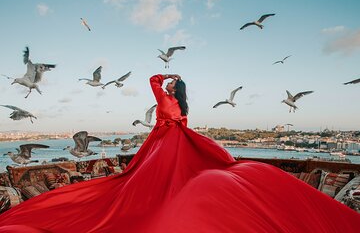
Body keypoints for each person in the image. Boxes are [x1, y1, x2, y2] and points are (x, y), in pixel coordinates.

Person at [0, 74, 359, 232]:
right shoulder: (180, 106)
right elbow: (170, 111)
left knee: (153, 186)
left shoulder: (169, 101)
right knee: (168, 183)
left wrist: (161, 77)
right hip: (170, 142)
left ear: (175, 89)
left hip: (166, 143)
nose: (169, 87)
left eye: (173, 85)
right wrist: (172, 85)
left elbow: (152, 86)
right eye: (170, 85)